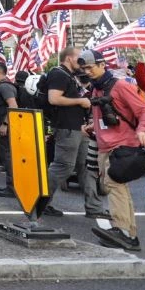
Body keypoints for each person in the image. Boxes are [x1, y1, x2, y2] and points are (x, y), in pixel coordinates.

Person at [81, 51, 145, 251]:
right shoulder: (97, 89)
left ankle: (122, 230)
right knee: (118, 187)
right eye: (85, 69)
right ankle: (129, 234)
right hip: (106, 145)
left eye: (90, 67)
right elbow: (105, 118)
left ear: (102, 64)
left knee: (113, 184)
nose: (88, 72)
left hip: (122, 145)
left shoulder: (119, 85)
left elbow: (144, 110)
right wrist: (91, 128)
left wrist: (142, 130)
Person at [43, 47, 106, 218]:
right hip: (67, 127)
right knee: (62, 167)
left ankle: (93, 207)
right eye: (79, 58)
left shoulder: (69, 76)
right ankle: (39, 202)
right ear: (70, 59)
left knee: (87, 167)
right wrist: (81, 101)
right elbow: (53, 99)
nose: (83, 62)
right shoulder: (58, 74)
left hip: (77, 127)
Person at [0, 62, 18, 198]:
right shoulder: (3, 85)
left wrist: (5, 124)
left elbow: (13, 105)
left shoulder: (4, 86)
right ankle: (11, 186)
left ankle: (13, 188)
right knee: (7, 156)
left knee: (8, 157)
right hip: (7, 126)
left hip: (9, 127)